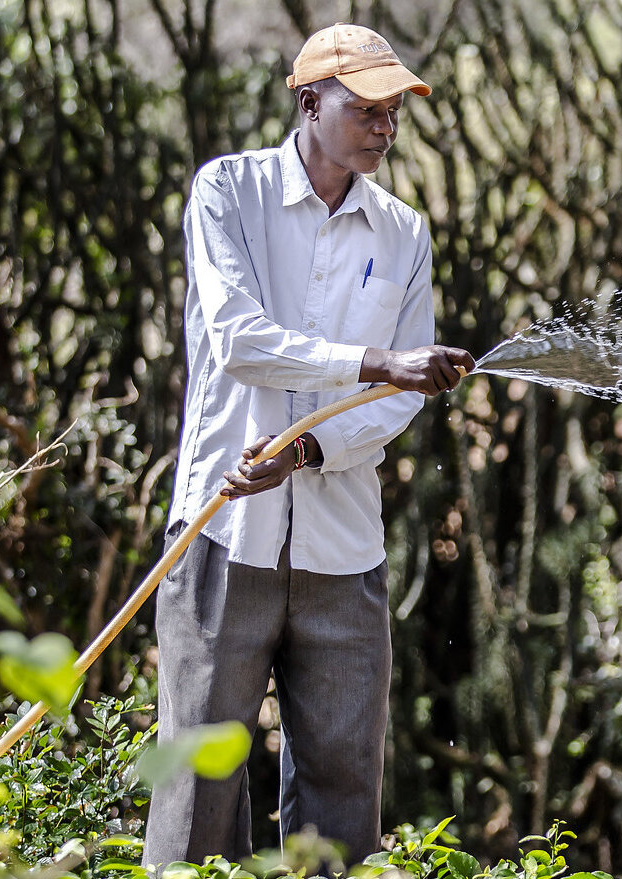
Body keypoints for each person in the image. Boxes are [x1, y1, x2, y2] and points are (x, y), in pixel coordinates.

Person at [146, 23, 475, 869]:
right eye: (366, 108)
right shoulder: (228, 192)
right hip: (222, 535)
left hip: (343, 556)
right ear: (308, 102)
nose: (384, 126)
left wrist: (305, 453)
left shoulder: (404, 234)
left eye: (393, 110)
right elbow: (239, 340)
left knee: (343, 804)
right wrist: (378, 362)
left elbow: (396, 405)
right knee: (198, 794)